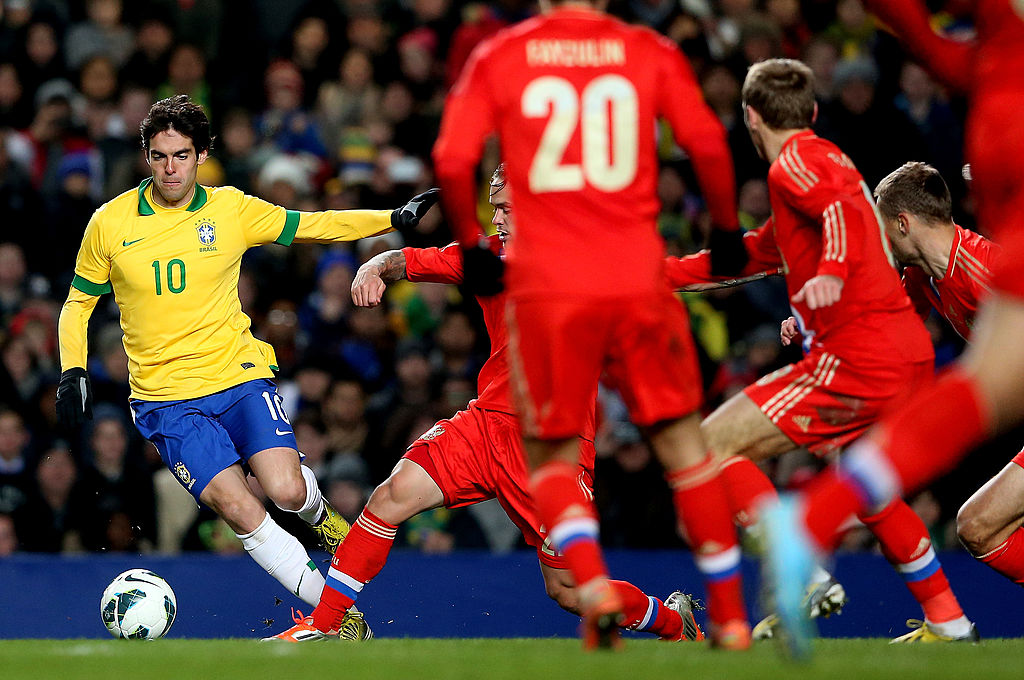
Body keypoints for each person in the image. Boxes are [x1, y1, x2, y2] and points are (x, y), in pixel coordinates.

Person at [54, 95, 439, 639]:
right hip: (167, 401)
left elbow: (311, 224)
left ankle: (320, 518)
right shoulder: (109, 223)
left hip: (237, 376)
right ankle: (337, 618)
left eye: (181, 155)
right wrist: (73, 370)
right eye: (159, 156)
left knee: (285, 491)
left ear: (201, 155)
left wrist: (391, 219)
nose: (170, 168)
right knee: (238, 508)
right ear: (146, 157)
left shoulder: (230, 209)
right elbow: (77, 304)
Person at [431, 0, 752, 650]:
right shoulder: (649, 51)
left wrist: (469, 242)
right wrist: (723, 230)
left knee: (549, 453)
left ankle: (599, 594)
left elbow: (452, 156)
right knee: (686, 452)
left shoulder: (504, 54)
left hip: (556, 288)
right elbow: (708, 142)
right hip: (634, 275)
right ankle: (731, 620)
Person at [268, 165, 703, 643]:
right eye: (495, 207)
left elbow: (675, 275)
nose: (496, 218)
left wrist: (744, 265)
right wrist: (373, 267)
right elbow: (404, 260)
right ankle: (327, 624)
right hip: (485, 425)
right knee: (390, 496)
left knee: (569, 591)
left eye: (507, 208)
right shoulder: (486, 258)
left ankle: (672, 622)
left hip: (551, 446)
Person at [664, 64, 975, 646]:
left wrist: (830, 272)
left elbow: (836, 213)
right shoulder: (820, 168)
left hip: (860, 356)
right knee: (871, 492)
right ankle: (949, 621)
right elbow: (741, 259)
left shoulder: (796, 163)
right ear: (810, 110)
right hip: (903, 353)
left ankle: (802, 577)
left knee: (707, 446)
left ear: (751, 117)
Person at [760, 0, 1024, 658]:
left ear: (901, 224)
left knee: (974, 491)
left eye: (884, 230)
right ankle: (816, 517)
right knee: (978, 519)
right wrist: (809, 320)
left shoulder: (982, 268)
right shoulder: (929, 275)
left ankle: (813, 518)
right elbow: (872, 309)